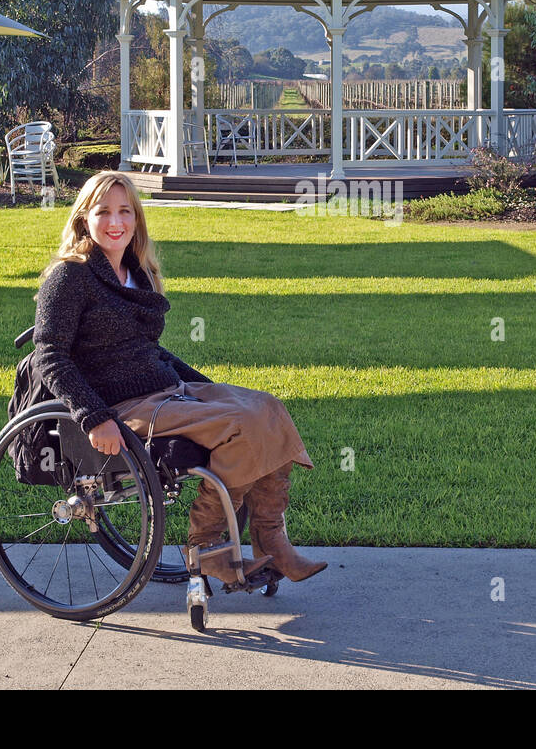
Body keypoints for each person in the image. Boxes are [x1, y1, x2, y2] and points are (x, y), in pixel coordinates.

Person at [30, 169, 326, 585]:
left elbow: (149, 351)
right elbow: (49, 356)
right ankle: (204, 547)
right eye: (103, 212)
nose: (115, 223)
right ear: (84, 218)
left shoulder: (137, 272)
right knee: (240, 426)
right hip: (124, 406)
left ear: (137, 219)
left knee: (267, 408)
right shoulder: (70, 277)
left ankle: (271, 540)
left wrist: (208, 388)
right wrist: (94, 416)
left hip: (166, 389)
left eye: (125, 212)